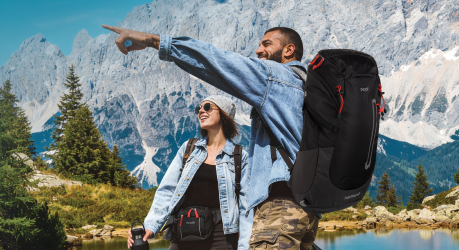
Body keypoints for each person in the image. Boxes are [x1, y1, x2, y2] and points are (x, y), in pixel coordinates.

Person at [104, 24, 317, 250]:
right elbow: (168, 190)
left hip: (279, 207)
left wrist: (152, 40)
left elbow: (219, 62)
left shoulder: (275, 77)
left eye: (266, 44)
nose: (257, 51)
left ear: (288, 50)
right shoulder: (305, 88)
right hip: (306, 208)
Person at [131, 96, 248, 250]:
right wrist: (151, 226)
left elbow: (246, 208)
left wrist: (244, 246)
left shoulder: (239, 156)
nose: (200, 111)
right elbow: (167, 191)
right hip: (182, 234)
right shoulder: (188, 149)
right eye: (198, 108)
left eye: (207, 107)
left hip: (221, 239)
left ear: (224, 114)